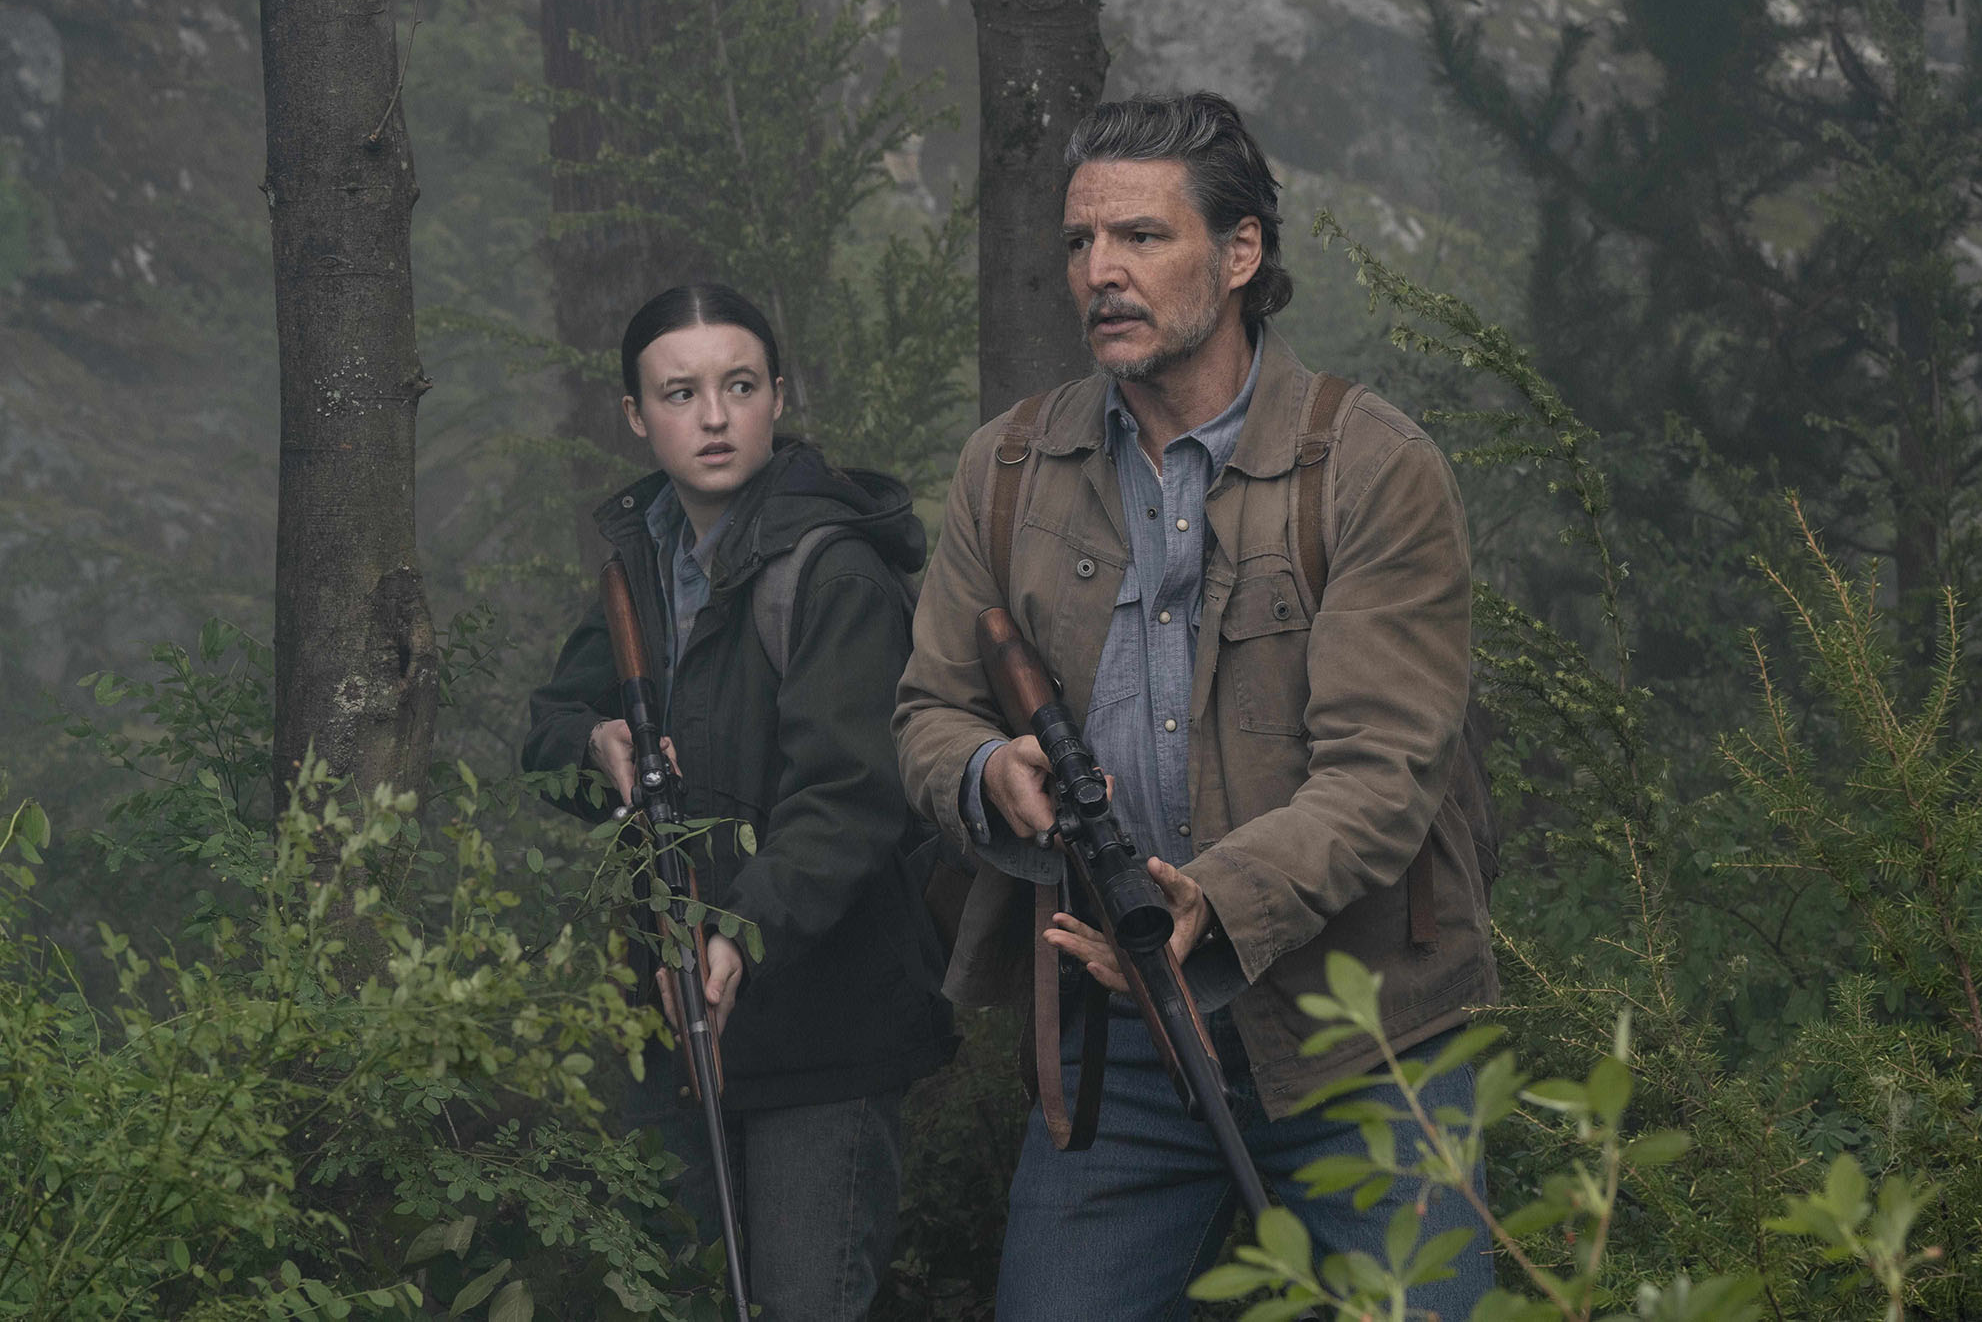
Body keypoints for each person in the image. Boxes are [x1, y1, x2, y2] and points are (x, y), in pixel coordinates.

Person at [892, 93, 1500, 1320]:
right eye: (1079, 242)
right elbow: (928, 712)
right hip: (1122, 1041)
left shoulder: (1369, 465)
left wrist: (1210, 899)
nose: (1099, 272)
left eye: (1139, 236)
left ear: (1238, 253)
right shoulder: (1005, 466)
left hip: (1360, 1029)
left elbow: (1383, 771)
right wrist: (986, 775)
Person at [523, 282, 955, 1322]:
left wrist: (736, 934)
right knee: (686, 1298)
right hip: (675, 1023)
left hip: (823, 1028)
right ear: (636, 416)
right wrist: (598, 746)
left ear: (777, 397)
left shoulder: (831, 569)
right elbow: (544, 733)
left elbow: (849, 799)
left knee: (806, 1303)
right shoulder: (642, 558)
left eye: (740, 386)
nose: (713, 417)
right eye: (680, 393)